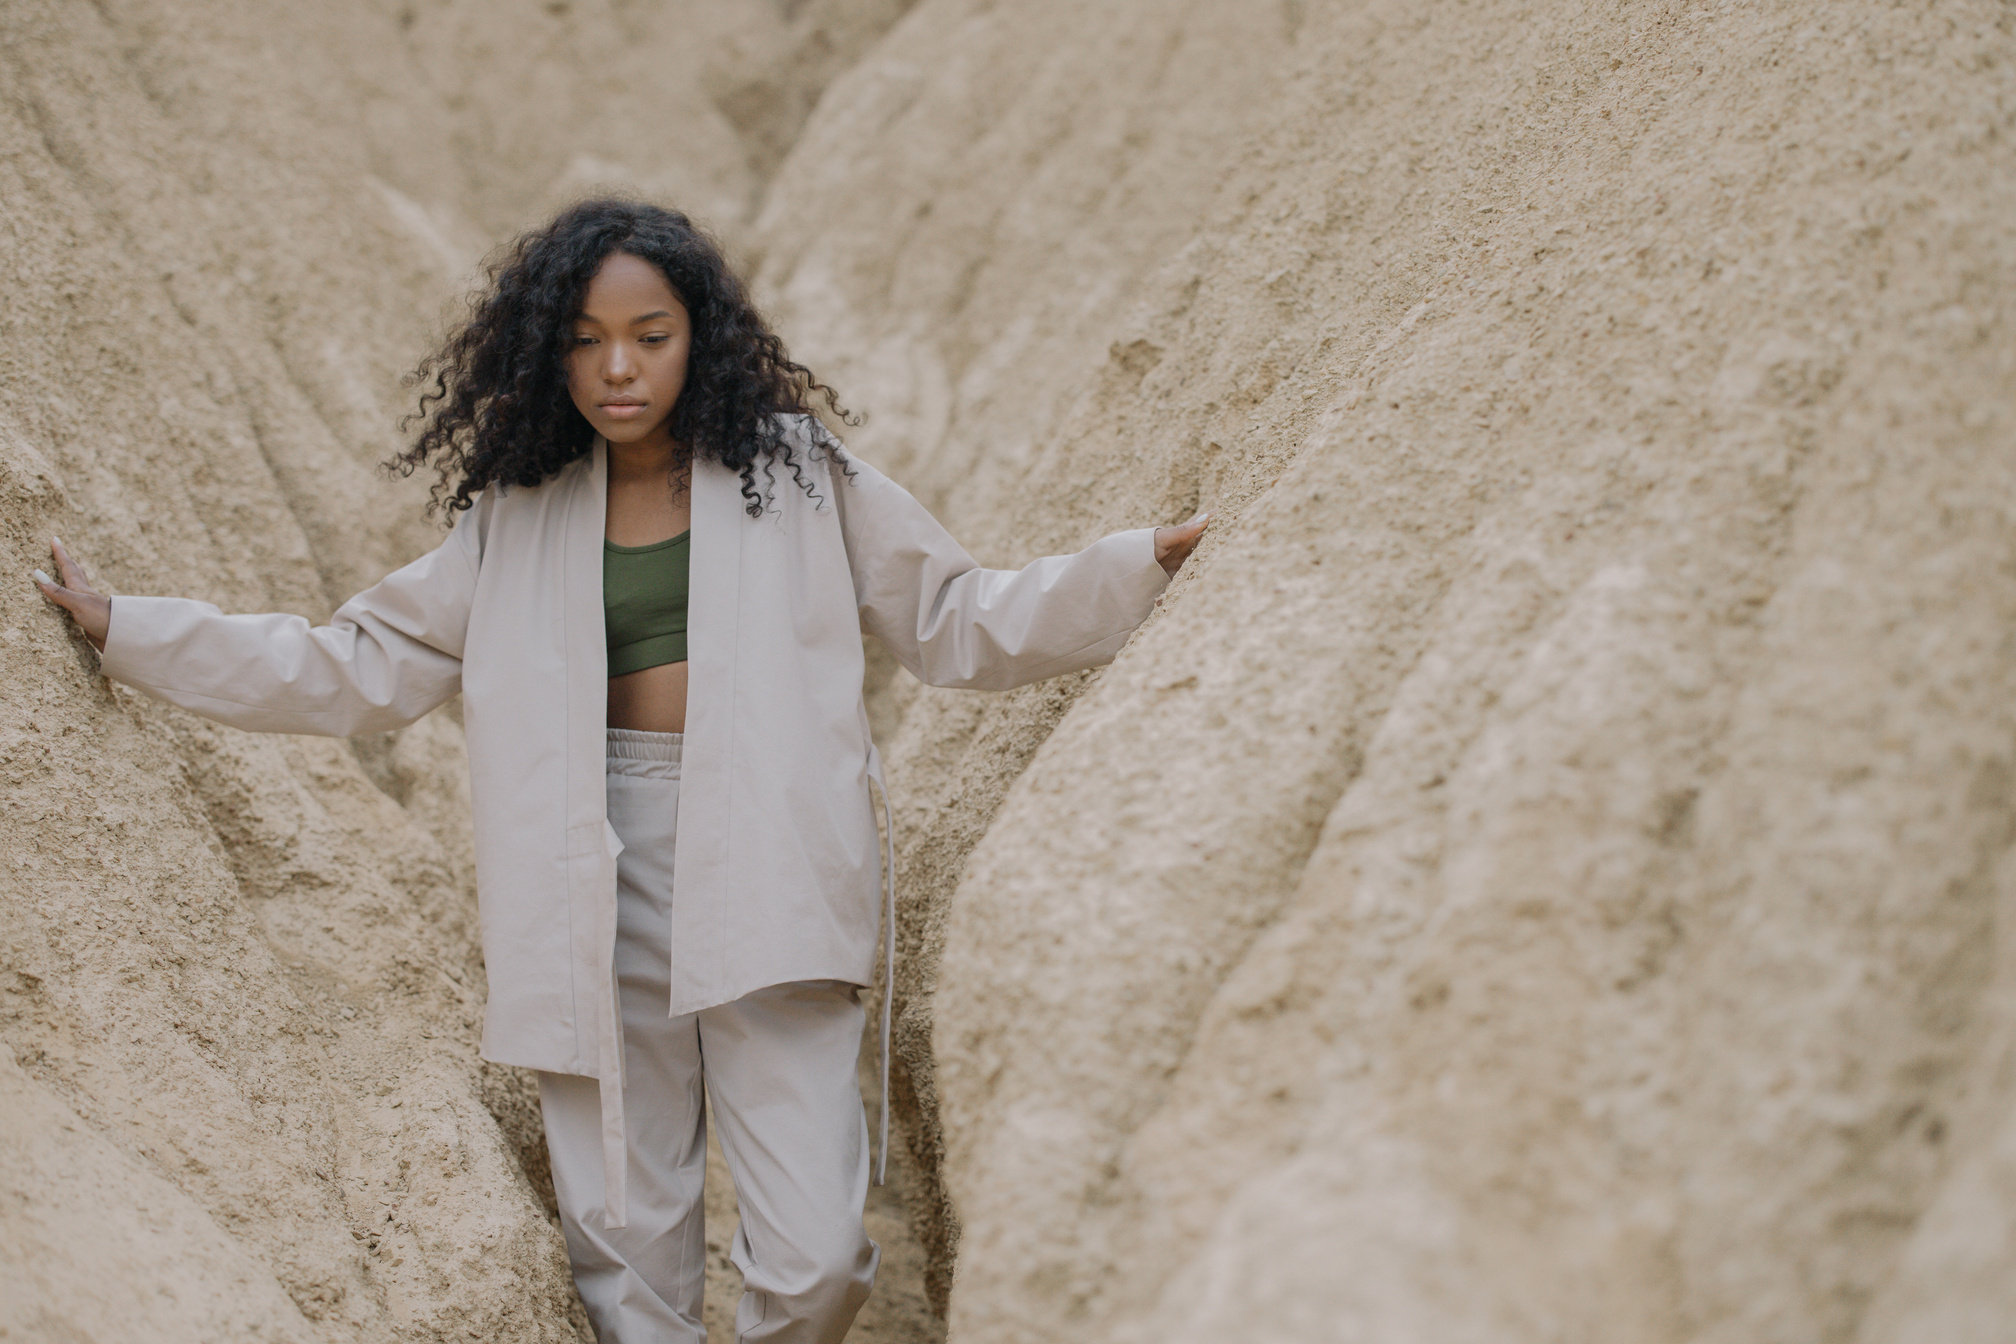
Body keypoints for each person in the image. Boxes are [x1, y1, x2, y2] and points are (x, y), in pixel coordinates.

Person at [34, 198, 1207, 1344]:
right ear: (549, 352)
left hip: (770, 853)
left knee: (815, 1261)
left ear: (701, 337)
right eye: (586, 341)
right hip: (587, 865)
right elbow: (356, 665)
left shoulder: (801, 474)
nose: (618, 369)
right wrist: (128, 632)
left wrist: (1136, 568)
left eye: (650, 336)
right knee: (625, 1259)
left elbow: (959, 617)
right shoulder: (519, 510)